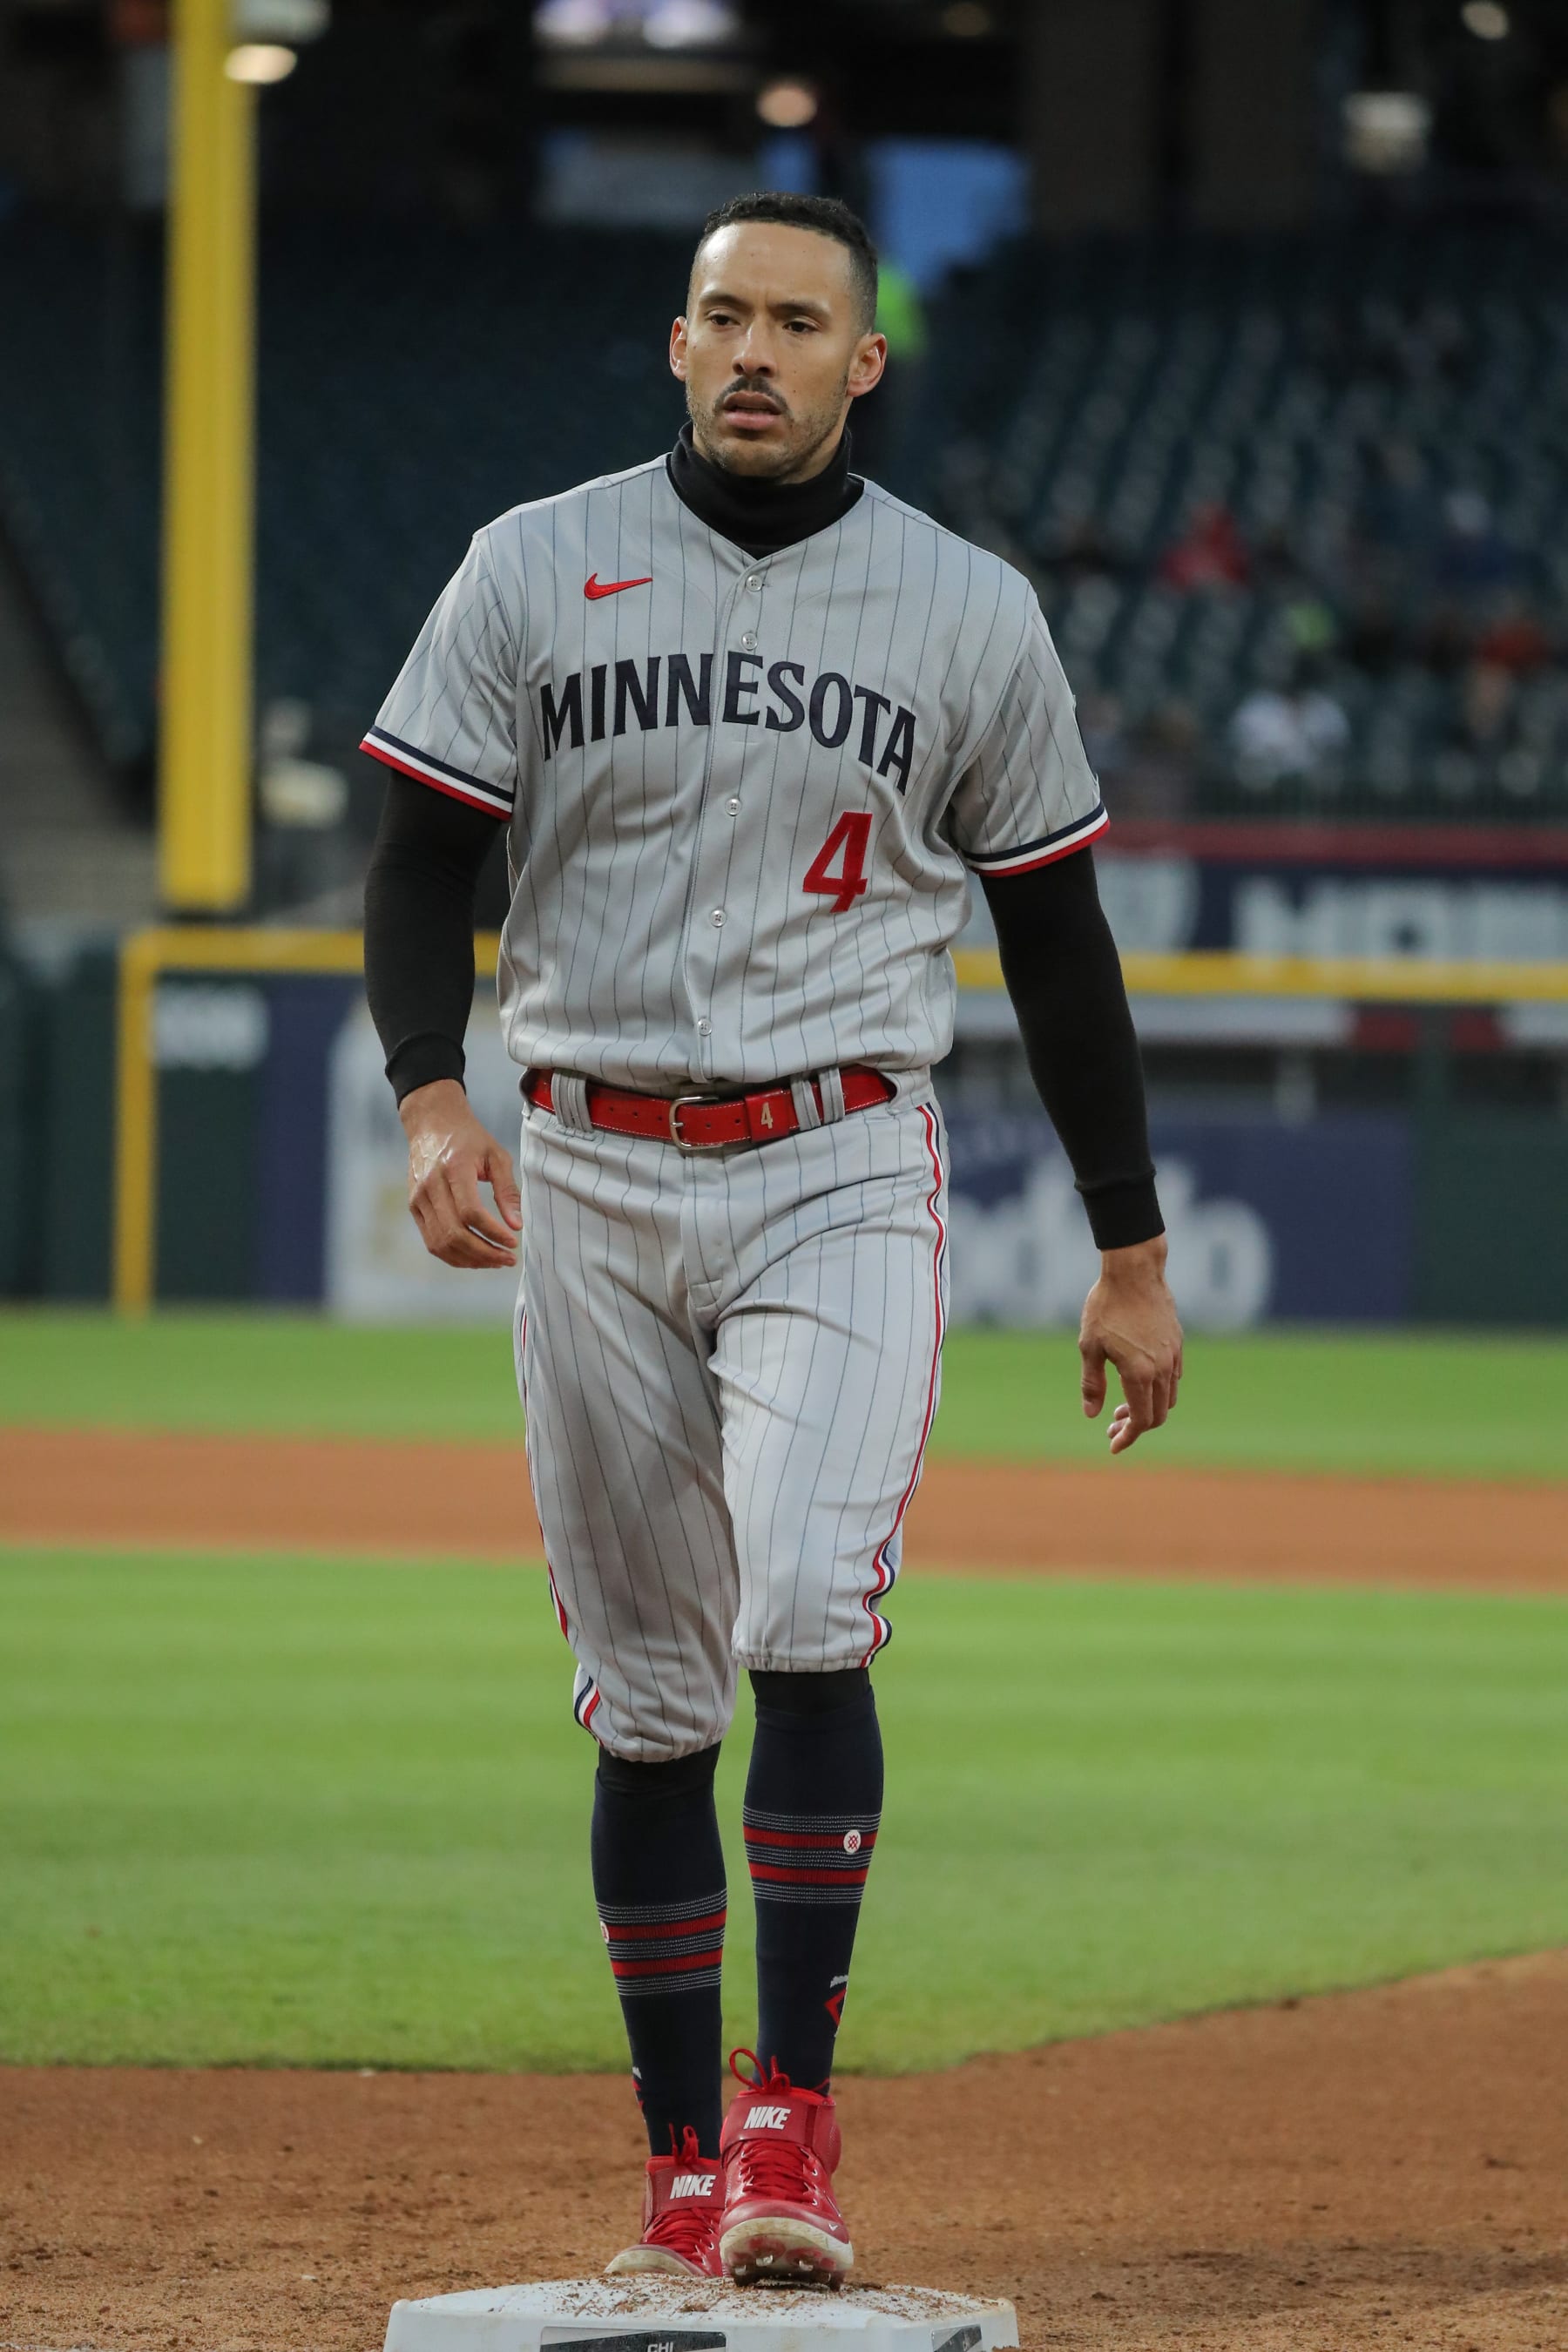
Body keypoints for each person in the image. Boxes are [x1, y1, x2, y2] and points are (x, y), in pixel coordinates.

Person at [360, 191, 1181, 2290]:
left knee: (809, 1598)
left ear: (859, 363)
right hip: (591, 1167)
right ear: (675, 341)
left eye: (796, 321)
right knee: (646, 1696)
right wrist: (431, 1091)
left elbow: (1059, 942)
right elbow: (419, 855)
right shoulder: (530, 565)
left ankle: (789, 2132)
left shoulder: (968, 608)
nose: (753, 349)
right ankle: (671, 2168)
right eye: (722, 313)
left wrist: (1129, 1243)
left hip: (838, 1155)